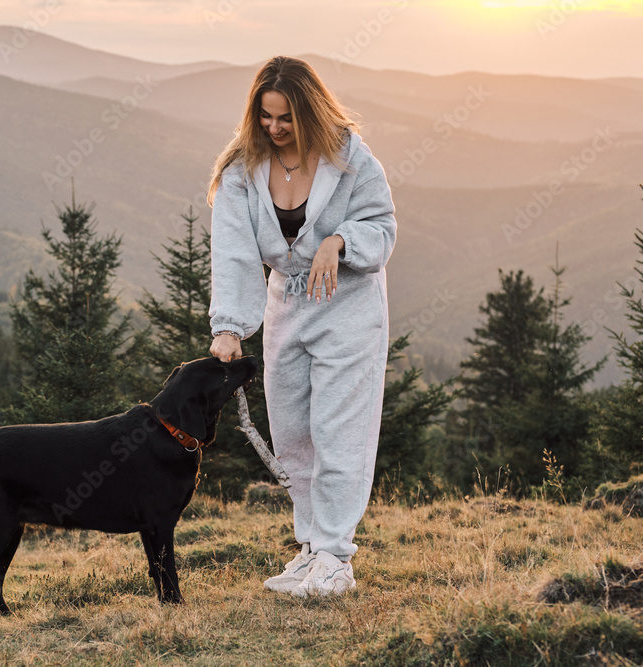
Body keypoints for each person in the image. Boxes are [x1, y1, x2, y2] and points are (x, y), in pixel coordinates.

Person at [207, 56, 396, 598]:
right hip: (284, 310)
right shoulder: (243, 169)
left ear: (309, 110)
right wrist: (229, 326)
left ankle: (336, 557)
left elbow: (382, 227)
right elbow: (235, 251)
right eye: (265, 116)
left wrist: (341, 242)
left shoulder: (352, 159)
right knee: (292, 436)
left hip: (349, 309)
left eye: (285, 117)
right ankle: (311, 548)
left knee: (339, 432)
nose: (274, 127)